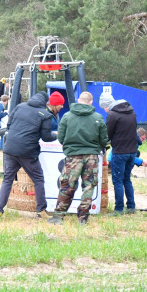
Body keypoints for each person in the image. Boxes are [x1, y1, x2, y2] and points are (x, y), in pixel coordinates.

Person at [0, 91, 63, 220]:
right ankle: (41, 210)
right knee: (38, 179)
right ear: (45, 102)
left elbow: (9, 125)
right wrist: (58, 135)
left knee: (7, 180)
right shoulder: (45, 115)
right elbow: (47, 137)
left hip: (10, 149)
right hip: (27, 152)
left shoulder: (19, 107)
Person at [49, 91, 108, 226]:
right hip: (92, 157)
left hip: (72, 157)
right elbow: (104, 139)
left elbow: (61, 137)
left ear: (78, 100)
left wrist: (70, 147)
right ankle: (82, 218)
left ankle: (58, 216)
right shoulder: (98, 117)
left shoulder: (67, 117)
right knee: (88, 187)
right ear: (91, 102)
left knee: (67, 186)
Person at [103, 94, 139, 215]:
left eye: (104, 108)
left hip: (119, 152)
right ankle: (131, 207)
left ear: (108, 106)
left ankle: (118, 209)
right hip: (132, 151)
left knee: (117, 181)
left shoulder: (112, 115)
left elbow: (107, 134)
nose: (105, 110)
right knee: (127, 179)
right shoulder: (132, 113)